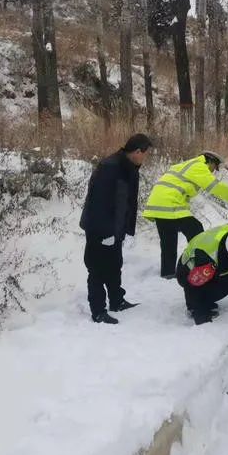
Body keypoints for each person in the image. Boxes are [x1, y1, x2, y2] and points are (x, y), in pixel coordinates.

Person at [80, 134, 152, 325]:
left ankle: (117, 300)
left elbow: (126, 202)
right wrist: (105, 232)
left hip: (115, 229)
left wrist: (124, 230)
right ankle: (98, 311)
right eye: (145, 154)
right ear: (137, 151)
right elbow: (98, 203)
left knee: (114, 265)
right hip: (99, 228)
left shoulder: (129, 168)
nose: (145, 157)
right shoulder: (110, 167)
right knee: (97, 269)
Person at [143, 151, 228, 279]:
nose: (213, 171)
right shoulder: (199, 166)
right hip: (170, 204)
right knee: (196, 230)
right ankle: (199, 263)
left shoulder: (187, 165)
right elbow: (214, 187)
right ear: (210, 161)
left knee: (168, 241)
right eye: (214, 168)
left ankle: (168, 272)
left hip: (159, 205)